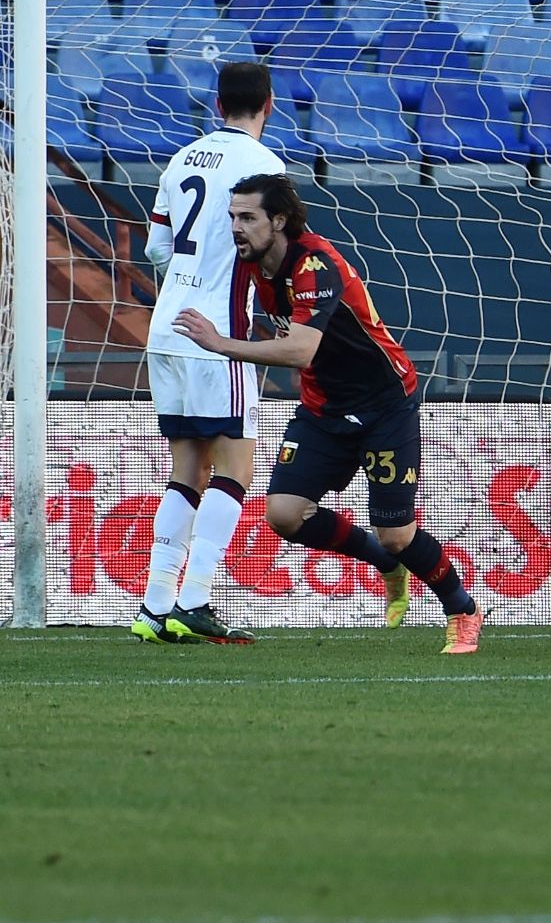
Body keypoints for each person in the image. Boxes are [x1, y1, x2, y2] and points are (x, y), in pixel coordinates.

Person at [129, 63, 396, 643]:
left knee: (186, 471)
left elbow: (154, 249)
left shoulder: (181, 158)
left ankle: (153, 608)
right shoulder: (264, 167)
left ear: (216, 103)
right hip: (218, 333)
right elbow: (278, 246)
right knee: (236, 470)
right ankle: (194, 599)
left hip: (168, 329)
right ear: (270, 105)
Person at [173, 174, 483, 654]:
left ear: (279, 221)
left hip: (384, 404)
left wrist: (218, 344)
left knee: (399, 533)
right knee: (284, 514)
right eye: (233, 217)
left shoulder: (315, 264)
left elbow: (299, 350)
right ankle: (382, 560)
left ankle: (461, 608)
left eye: (248, 217)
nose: (236, 227)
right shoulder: (250, 261)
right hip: (323, 407)